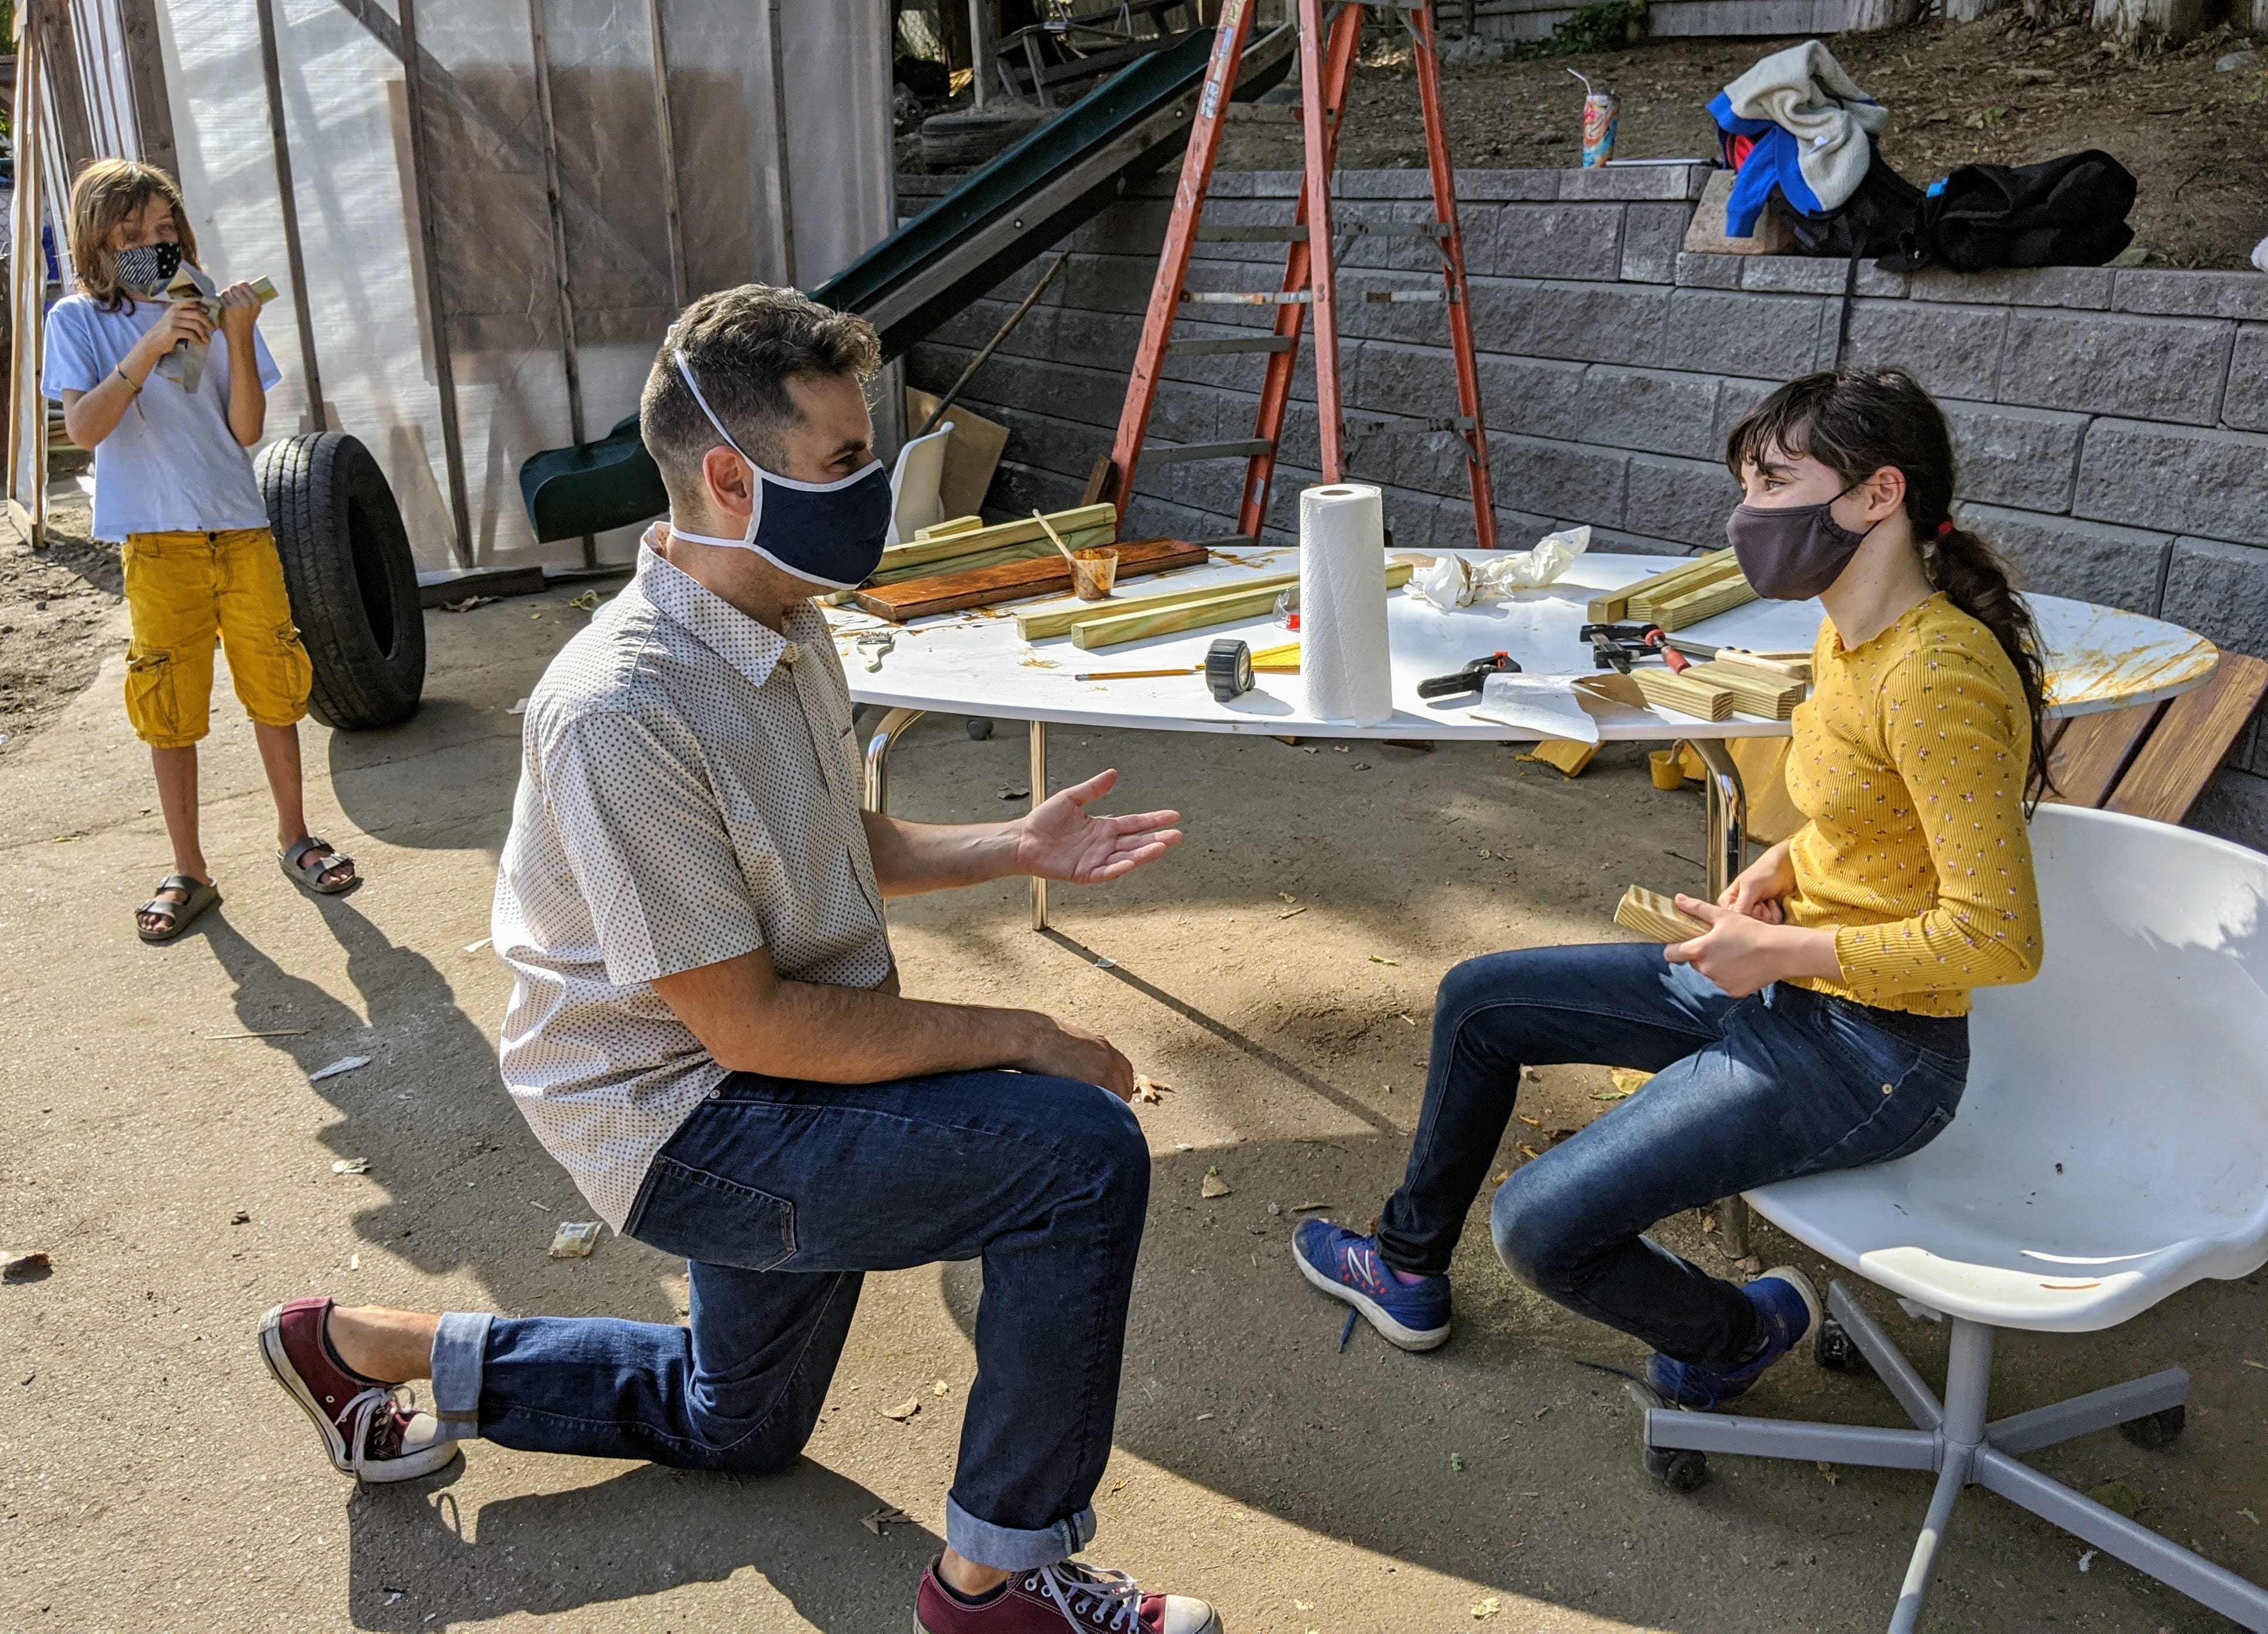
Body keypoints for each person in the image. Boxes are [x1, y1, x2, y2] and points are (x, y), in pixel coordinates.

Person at [258, 285, 1223, 1634]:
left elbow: (825, 834)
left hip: (764, 1074)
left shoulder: (784, 617)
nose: (870, 487)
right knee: (1072, 1155)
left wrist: (1011, 848)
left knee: (737, 1419)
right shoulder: (622, 711)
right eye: (841, 459)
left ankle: (355, 1346)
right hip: (685, 1116)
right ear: (730, 474)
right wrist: (1022, 1030)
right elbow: (754, 1028)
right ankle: (997, 1585)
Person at [1294, 365, 2046, 1409]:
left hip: (1878, 1055)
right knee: (1480, 1000)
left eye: (1775, 483)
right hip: (1784, 989)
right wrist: (1778, 870)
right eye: (1746, 485)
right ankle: (1407, 1266)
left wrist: (1778, 952)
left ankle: (1741, 1330)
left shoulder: (1936, 675)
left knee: (1540, 1226)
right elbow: (1864, 812)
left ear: (1879, 495)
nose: (1748, 514)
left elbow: (1998, 938)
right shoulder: (1844, 629)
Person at [45, 159, 357, 944]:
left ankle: (295, 836)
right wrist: (149, 344)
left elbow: (246, 430)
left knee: (274, 686)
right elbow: (86, 430)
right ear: (97, 242)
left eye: (165, 228)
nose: (156, 242)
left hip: (240, 529)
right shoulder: (78, 321)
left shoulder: (209, 308)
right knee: (168, 706)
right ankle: (190, 868)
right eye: (132, 233)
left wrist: (240, 335)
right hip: (156, 547)